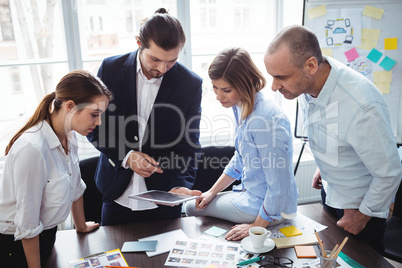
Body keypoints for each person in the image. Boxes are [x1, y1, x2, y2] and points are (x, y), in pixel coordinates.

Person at [264, 25, 402, 253]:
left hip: (360, 210)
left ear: (310, 65)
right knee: (325, 258)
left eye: (281, 77)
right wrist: (327, 163)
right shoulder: (307, 84)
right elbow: (330, 128)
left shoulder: (361, 105)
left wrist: (362, 215)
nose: (274, 86)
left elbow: (389, 173)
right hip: (330, 195)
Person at [87, 8, 202, 226]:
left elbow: (189, 144)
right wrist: (128, 156)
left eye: (172, 61)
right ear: (139, 43)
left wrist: (181, 183)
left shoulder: (191, 84)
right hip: (116, 194)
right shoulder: (110, 69)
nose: (163, 68)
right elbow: (94, 127)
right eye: (156, 59)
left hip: (165, 199)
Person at [184, 47, 299, 241]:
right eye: (215, 88)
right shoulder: (242, 106)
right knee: (198, 202)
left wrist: (256, 227)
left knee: (189, 207)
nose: (219, 97)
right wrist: (212, 192)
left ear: (244, 84)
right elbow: (240, 158)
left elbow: (279, 187)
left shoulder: (266, 122)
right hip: (253, 195)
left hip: (270, 207)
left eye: (226, 90)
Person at [0, 70, 112, 267]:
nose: (99, 122)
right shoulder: (32, 149)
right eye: (94, 114)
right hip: (17, 246)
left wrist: (81, 225)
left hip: (47, 236)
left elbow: (75, 186)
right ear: (70, 106)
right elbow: (28, 223)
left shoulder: (70, 136)